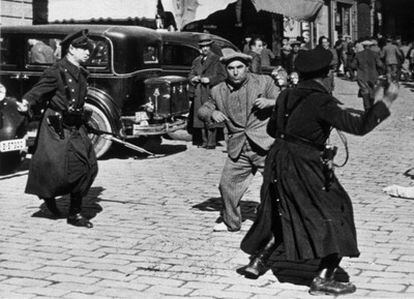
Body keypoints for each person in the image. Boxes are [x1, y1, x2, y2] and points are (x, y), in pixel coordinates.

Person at [240, 47, 399, 295]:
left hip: (278, 159)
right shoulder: (322, 100)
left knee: (286, 208)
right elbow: (357, 126)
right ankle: (323, 278)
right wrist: (384, 103)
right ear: (325, 75)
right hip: (305, 164)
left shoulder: (285, 96)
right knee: (339, 211)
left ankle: (257, 261)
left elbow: (272, 130)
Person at [16, 30, 98, 228]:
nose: (87, 53)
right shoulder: (57, 70)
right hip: (57, 125)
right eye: (83, 49)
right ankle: (72, 212)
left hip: (76, 124)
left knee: (89, 165)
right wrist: (26, 102)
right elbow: (38, 90)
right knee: (60, 168)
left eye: (88, 49)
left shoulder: (81, 72)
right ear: (71, 49)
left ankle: (67, 208)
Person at [198, 48, 280, 232]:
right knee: (226, 184)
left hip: (264, 145)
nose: (236, 72)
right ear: (225, 70)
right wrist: (213, 112)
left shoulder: (263, 82)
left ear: (247, 67)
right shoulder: (218, 90)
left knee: (276, 183)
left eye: (240, 67)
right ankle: (232, 222)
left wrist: (270, 102)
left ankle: (277, 220)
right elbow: (202, 110)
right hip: (239, 146)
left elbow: (283, 97)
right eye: (231, 68)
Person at [188, 35, 227, 149]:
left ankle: (211, 142)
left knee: (209, 115)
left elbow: (222, 76)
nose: (204, 49)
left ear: (210, 47)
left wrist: (209, 79)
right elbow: (190, 74)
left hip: (210, 91)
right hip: (198, 91)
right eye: (202, 47)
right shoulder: (196, 60)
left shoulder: (216, 59)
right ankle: (203, 141)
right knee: (199, 116)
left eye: (206, 46)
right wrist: (192, 78)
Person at [351, 39, 383, 110]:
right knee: (372, 91)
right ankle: (371, 107)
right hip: (373, 76)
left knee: (364, 91)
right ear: (371, 46)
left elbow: (352, 65)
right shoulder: (375, 54)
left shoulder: (358, 54)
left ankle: (367, 109)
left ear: (363, 46)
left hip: (362, 76)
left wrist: (358, 68)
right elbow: (380, 64)